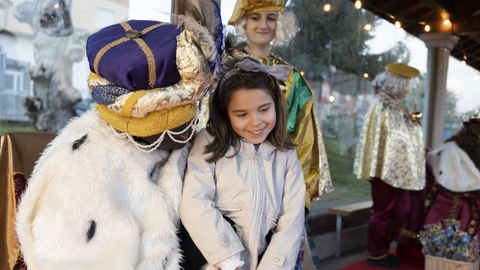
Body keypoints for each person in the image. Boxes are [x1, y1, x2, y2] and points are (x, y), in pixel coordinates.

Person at [15, 10, 222, 269]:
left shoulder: (190, 148)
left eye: (186, 118)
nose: (182, 132)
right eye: (166, 122)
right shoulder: (83, 170)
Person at [180, 58, 306, 269]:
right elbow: (195, 202)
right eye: (241, 114)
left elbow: (292, 220)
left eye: (264, 109)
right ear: (225, 113)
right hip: (217, 262)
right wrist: (229, 260)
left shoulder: (286, 155)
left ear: (276, 104)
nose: (256, 121)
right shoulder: (209, 143)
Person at [227, 0, 333, 211]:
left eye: (271, 18)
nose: (263, 25)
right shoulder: (224, 68)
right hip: (228, 180)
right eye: (256, 17)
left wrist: (298, 200)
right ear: (244, 23)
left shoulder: (292, 79)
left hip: (276, 187)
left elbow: (303, 140)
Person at [353, 63, 425, 268]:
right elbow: (395, 139)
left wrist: (412, 126)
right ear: (397, 84)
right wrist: (411, 127)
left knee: (403, 208)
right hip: (386, 169)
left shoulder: (393, 105)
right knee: (383, 212)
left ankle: (383, 247)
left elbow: (401, 135)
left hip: (394, 170)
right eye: (406, 85)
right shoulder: (384, 106)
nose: (408, 89)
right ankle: (376, 254)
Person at [397, 114, 480, 267]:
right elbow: (470, 181)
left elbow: (434, 163)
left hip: (440, 198)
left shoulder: (451, 147)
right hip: (456, 202)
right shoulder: (466, 152)